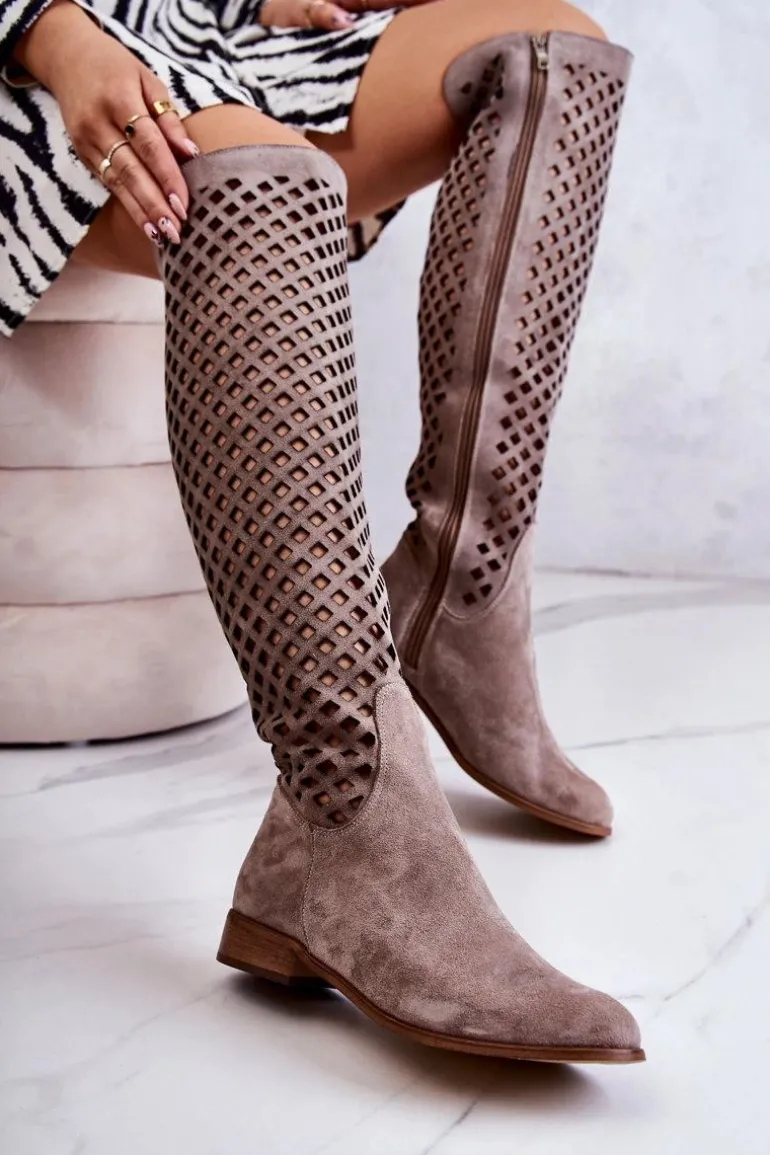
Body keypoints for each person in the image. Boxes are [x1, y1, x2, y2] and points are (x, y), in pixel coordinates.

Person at [1, 0, 643, 1063]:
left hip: (194, 31)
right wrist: (55, 36)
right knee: (254, 176)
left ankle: (461, 587)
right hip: (36, 60)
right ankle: (343, 802)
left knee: (552, 47)